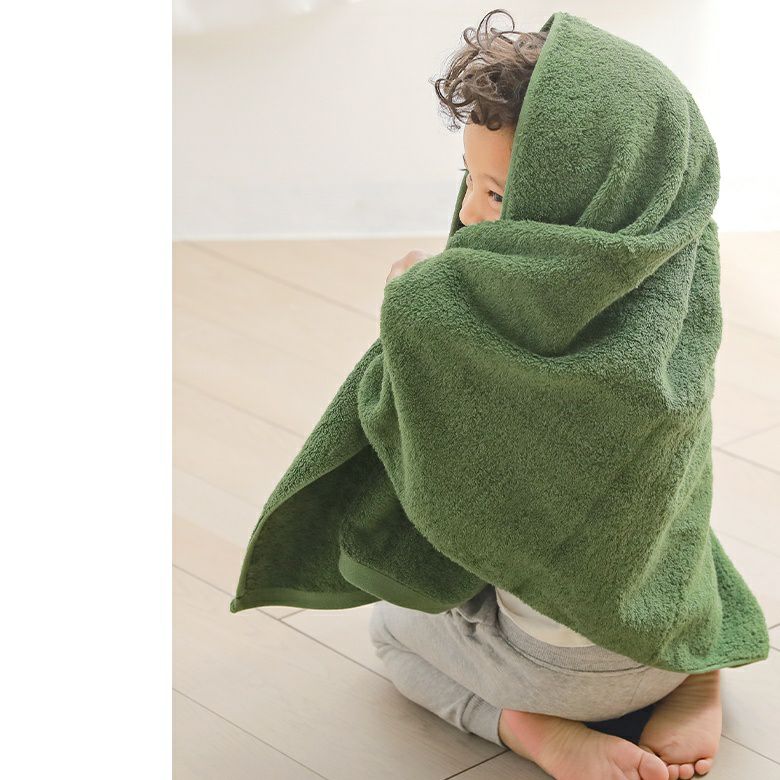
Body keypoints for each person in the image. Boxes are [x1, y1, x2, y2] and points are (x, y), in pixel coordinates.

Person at [372, 10, 722, 780]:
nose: (470, 212)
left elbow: (425, 479)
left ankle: (528, 729)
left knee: (390, 632)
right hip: (675, 626)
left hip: (553, 671)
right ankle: (699, 673)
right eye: (469, 182)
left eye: (496, 193)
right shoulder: (675, 272)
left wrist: (408, 311)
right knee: (669, 515)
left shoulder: (444, 316)